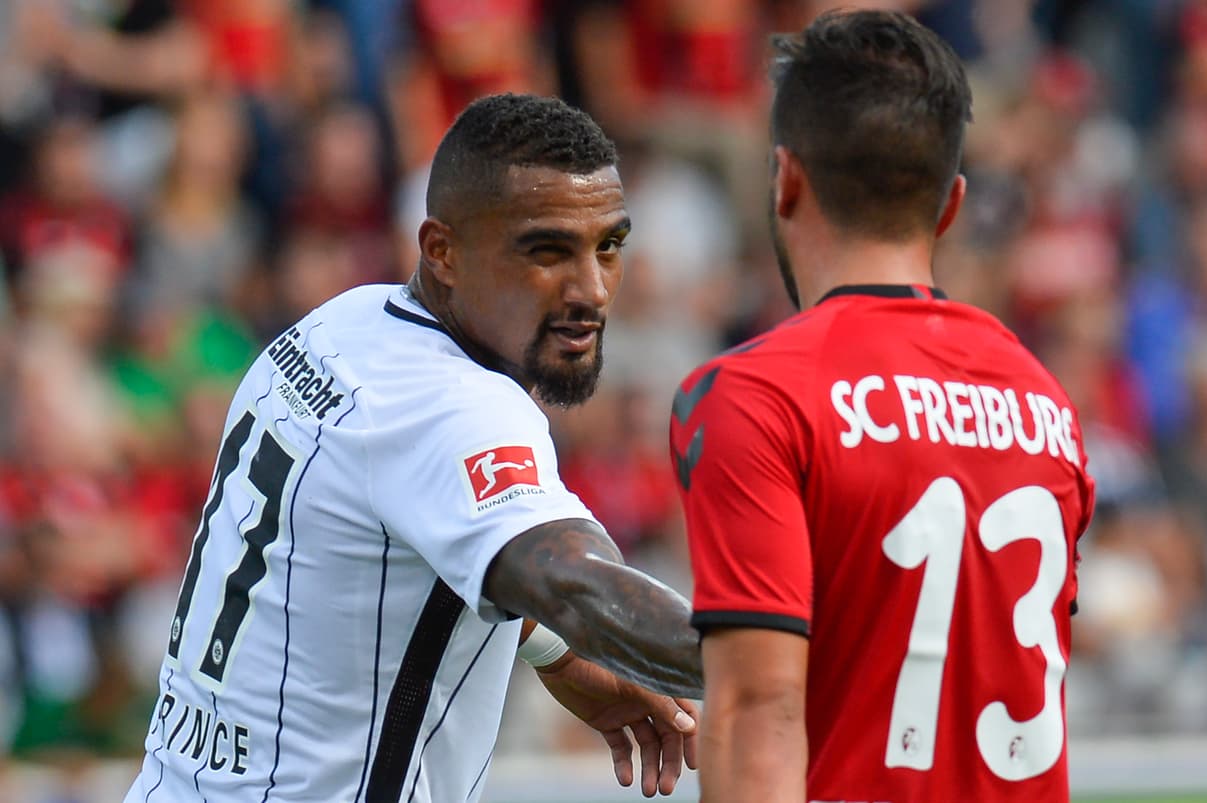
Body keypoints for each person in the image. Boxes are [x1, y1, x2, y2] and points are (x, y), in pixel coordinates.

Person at [126, 93, 702, 803]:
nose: (590, 289)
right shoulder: (464, 405)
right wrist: (781, 659)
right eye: (547, 250)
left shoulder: (337, 329)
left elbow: (382, 543)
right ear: (442, 251)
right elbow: (572, 579)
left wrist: (552, 647)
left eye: (608, 244)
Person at [668, 10, 1095, 803]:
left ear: (786, 178)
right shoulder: (1045, 401)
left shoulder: (753, 396)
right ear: (951, 203)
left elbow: (759, 710)